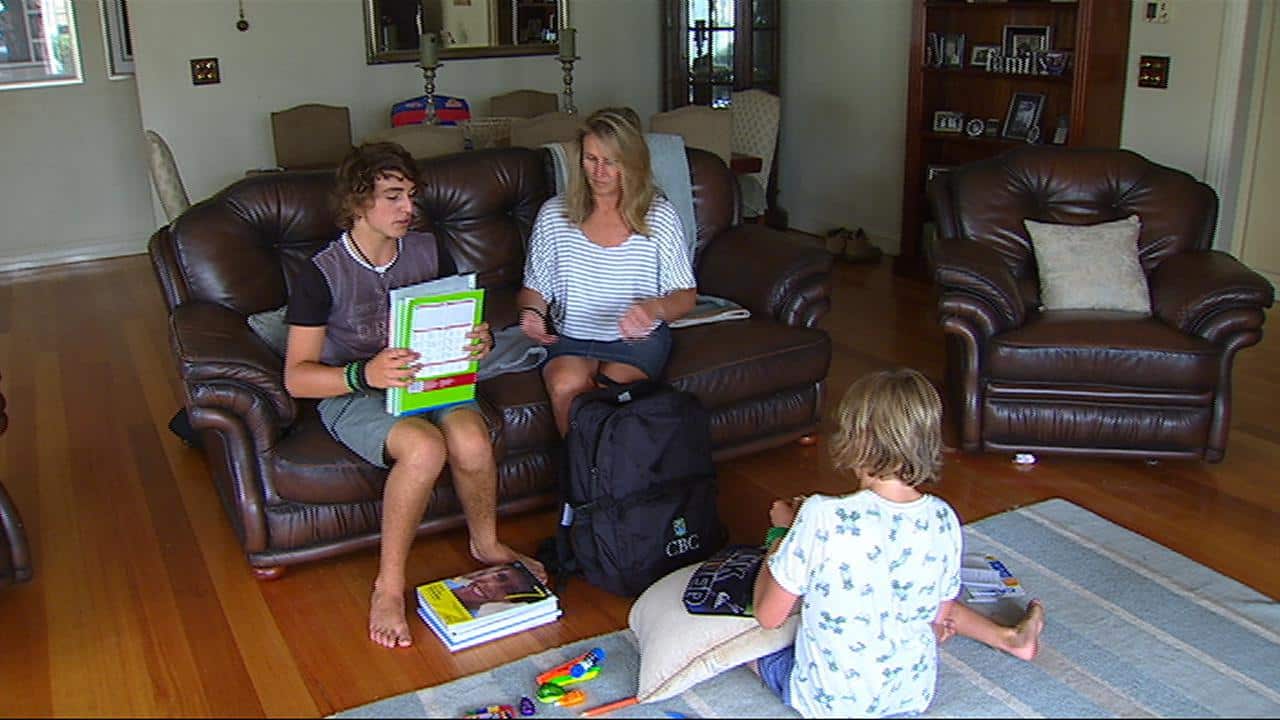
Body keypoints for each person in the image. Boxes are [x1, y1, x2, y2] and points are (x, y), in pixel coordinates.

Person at [282, 141, 545, 649]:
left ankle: (486, 543)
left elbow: (457, 319)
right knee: (425, 448)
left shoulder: (427, 249)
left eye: (411, 195)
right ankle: (387, 587)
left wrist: (479, 337)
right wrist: (365, 374)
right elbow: (298, 377)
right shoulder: (320, 274)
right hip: (352, 390)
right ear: (359, 203)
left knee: (471, 436)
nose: (409, 209)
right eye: (393, 197)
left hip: (431, 379)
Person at [749, 369, 1045, 718]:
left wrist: (783, 534)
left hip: (829, 705)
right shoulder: (942, 517)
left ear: (855, 439)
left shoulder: (820, 515)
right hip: (910, 698)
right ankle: (1009, 638)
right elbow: (938, 617)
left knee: (753, 646)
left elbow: (768, 616)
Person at [517, 107, 697, 435]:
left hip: (635, 343)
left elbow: (685, 296)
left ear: (632, 163)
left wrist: (652, 308)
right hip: (571, 336)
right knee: (564, 386)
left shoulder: (658, 215)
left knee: (611, 394)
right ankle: (584, 480)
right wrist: (532, 311)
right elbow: (535, 288)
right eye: (590, 159)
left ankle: (614, 481)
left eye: (610, 162)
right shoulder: (554, 214)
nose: (599, 172)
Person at [445, 563, 551, 617]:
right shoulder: (446, 582)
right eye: (500, 577)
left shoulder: (466, 621)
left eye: (509, 591)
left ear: (508, 601)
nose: (491, 585)